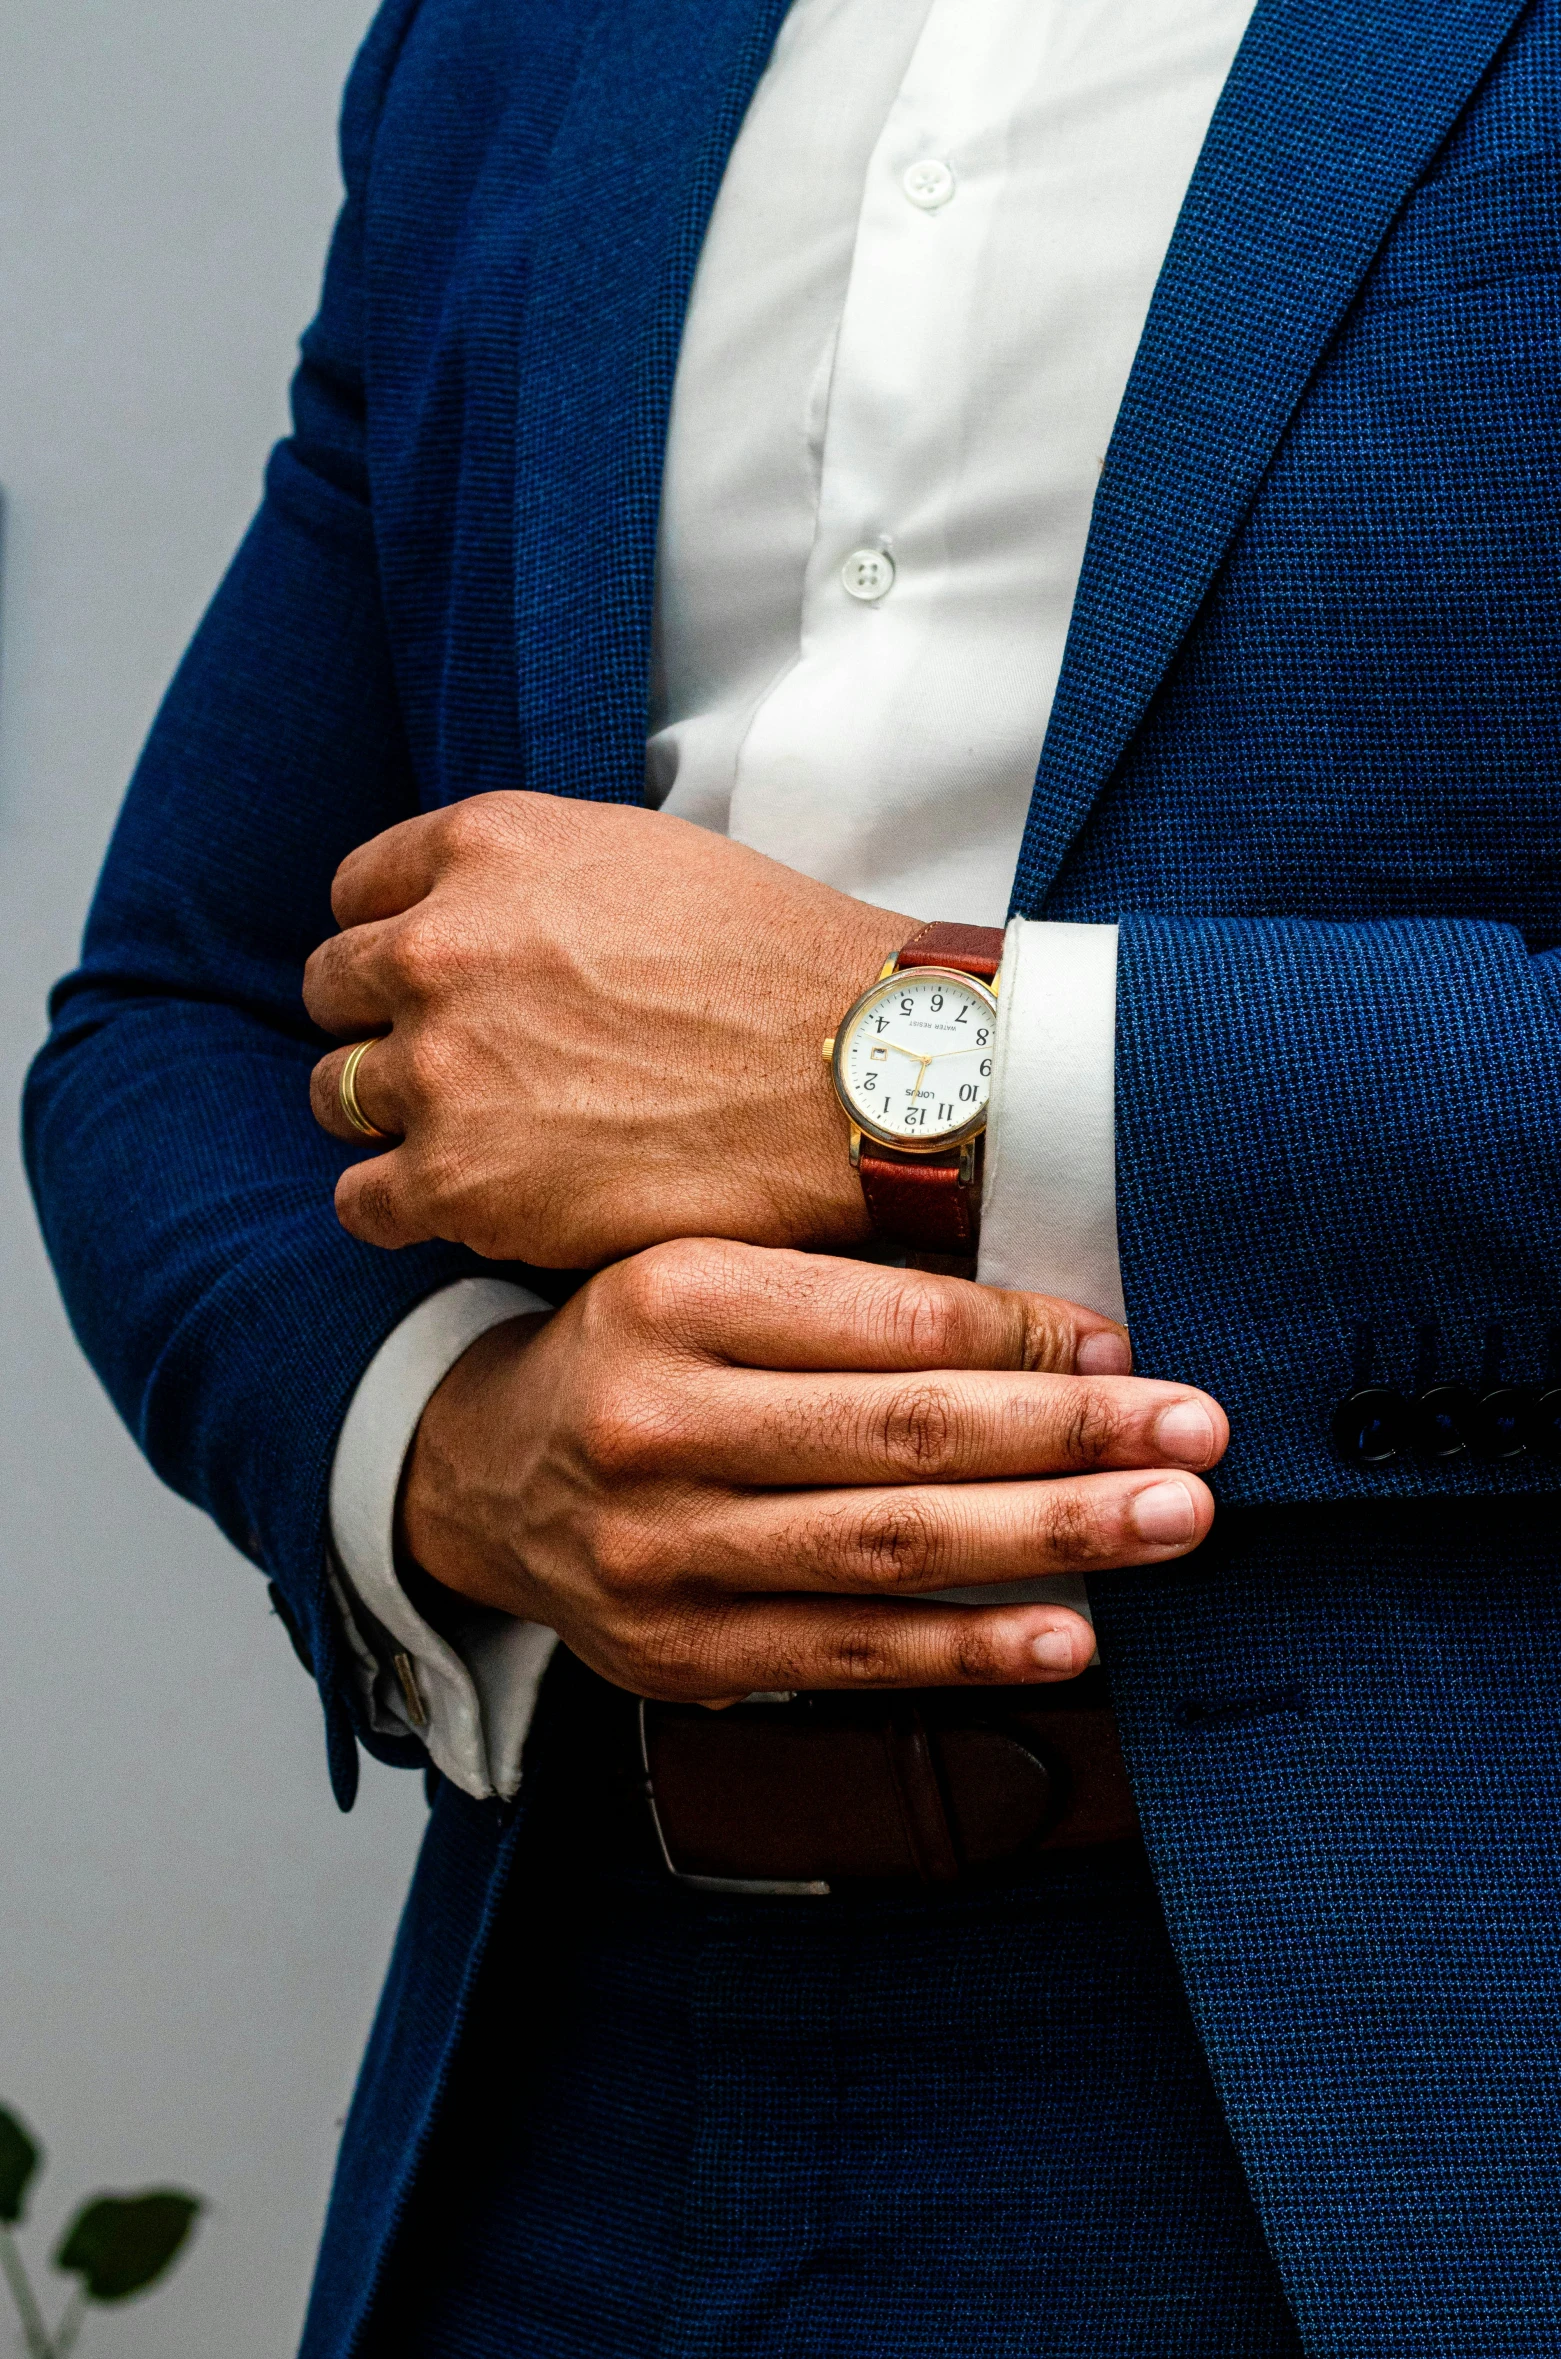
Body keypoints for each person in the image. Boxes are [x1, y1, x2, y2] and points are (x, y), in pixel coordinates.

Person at [24, 0, 1561, 2348]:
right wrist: (453, 1450)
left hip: (1437, 2106)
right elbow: (185, 1013)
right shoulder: (509, 47)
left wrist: (903, 1064)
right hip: (567, 2080)